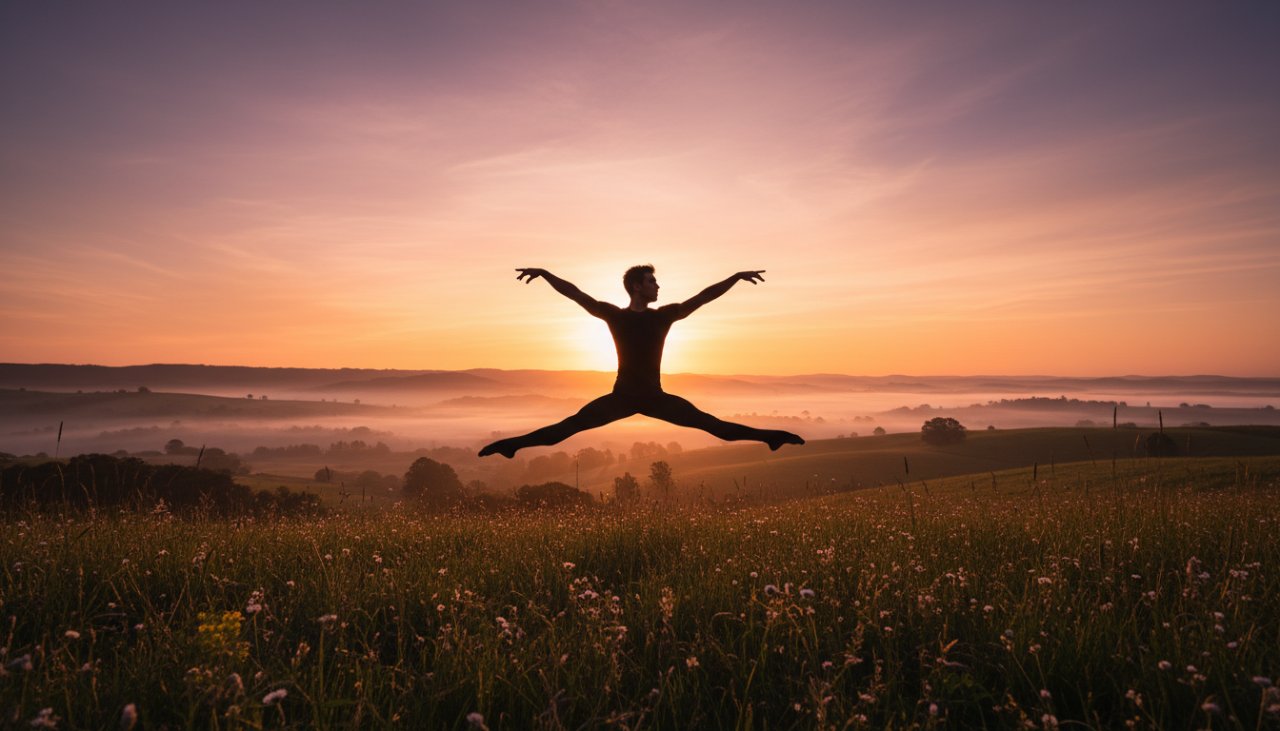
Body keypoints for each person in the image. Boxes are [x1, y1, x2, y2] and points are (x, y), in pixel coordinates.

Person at [478, 265, 805, 458]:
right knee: (564, 430)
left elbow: (703, 297)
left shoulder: (664, 315)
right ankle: (511, 446)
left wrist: (734, 277)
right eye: (652, 281)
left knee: (715, 427)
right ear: (637, 286)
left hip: (653, 398)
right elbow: (577, 294)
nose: (658, 285)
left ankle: (771, 437)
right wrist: (546, 274)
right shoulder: (614, 316)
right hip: (621, 397)